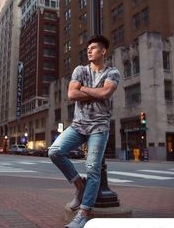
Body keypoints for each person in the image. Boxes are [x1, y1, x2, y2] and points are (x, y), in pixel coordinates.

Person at [48, 34, 120, 228]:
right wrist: (94, 92)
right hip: (79, 125)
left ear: (103, 51)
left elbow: (106, 92)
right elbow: (72, 94)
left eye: (94, 47)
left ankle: (83, 213)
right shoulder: (80, 69)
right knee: (54, 152)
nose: (89, 50)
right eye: (88, 47)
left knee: (92, 168)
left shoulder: (112, 72)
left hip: (99, 127)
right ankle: (80, 186)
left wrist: (84, 89)